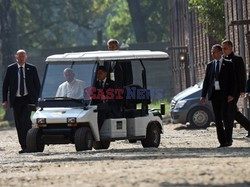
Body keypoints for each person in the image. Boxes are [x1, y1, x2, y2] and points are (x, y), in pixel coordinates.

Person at [2, 49, 41, 153]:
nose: (21, 58)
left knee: (26, 121)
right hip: (16, 100)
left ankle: (30, 145)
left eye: (23, 56)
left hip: (28, 98)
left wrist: (38, 100)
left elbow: (37, 85)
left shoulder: (32, 68)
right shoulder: (11, 69)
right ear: (16, 57)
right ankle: (24, 146)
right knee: (19, 123)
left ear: (26, 57)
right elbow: (5, 85)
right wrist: (5, 100)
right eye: (19, 57)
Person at [200, 44, 235, 147]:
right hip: (214, 95)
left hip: (225, 95)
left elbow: (233, 80)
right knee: (218, 118)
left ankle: (229, 139)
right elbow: (207, 81)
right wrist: (203, 95)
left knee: (225, 116)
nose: (213, 54)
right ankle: (222, 141)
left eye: (214, 52)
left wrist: (231, 94)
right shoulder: (210, 65)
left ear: (220, 52)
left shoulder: (228, 64)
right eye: (212, 52)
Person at [222, 40, 250, 137]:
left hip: (235, 90)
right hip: (226, 90)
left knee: (230, 110)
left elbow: (241, 74)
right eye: (222, 48)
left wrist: (243, 89)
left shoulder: (237, 59)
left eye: (225, 48)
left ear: (231, 48)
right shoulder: (223, 59)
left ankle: (227, 133)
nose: (223, 50)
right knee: (233, 111)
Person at [91, 66, 121, 130]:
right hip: (98, 105)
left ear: (105, 73)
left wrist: (106, 98)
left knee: (101, 111)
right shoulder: (94, 84)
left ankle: (96, 130)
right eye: (97, 73)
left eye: (100, 73)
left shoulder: (112, 84)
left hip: (110, 106)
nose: (98, 75)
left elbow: (116, 97)